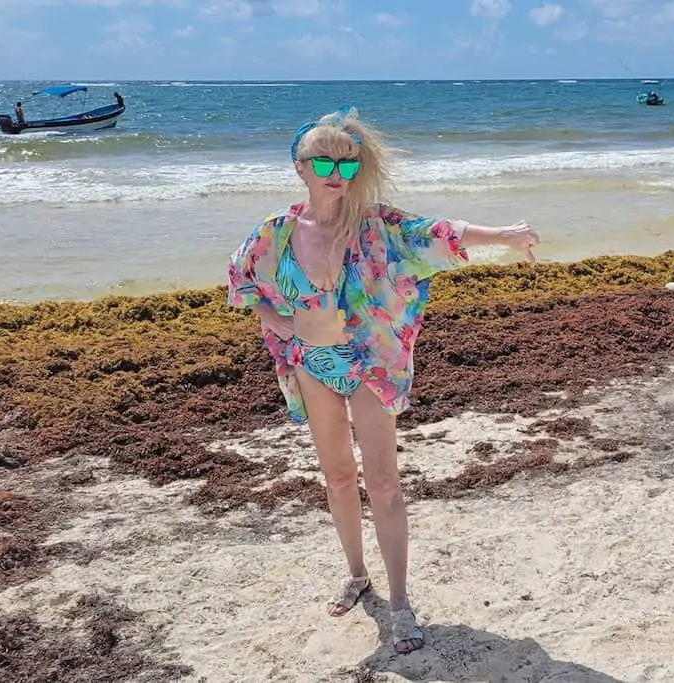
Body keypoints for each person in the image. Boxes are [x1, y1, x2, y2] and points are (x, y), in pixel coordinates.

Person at [226, 106, 540, 654]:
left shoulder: (376, 225)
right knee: (338, 477)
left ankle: (399, 601)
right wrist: (267, 316)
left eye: (348, 165)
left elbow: (433, 233)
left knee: (385, 481)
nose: (336, 174)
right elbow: (241, 276)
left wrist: (504, 235)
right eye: (323, 162)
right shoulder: (273, 233)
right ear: (299, 167)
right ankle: (356, 574)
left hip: (368, 363)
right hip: (310, 363)